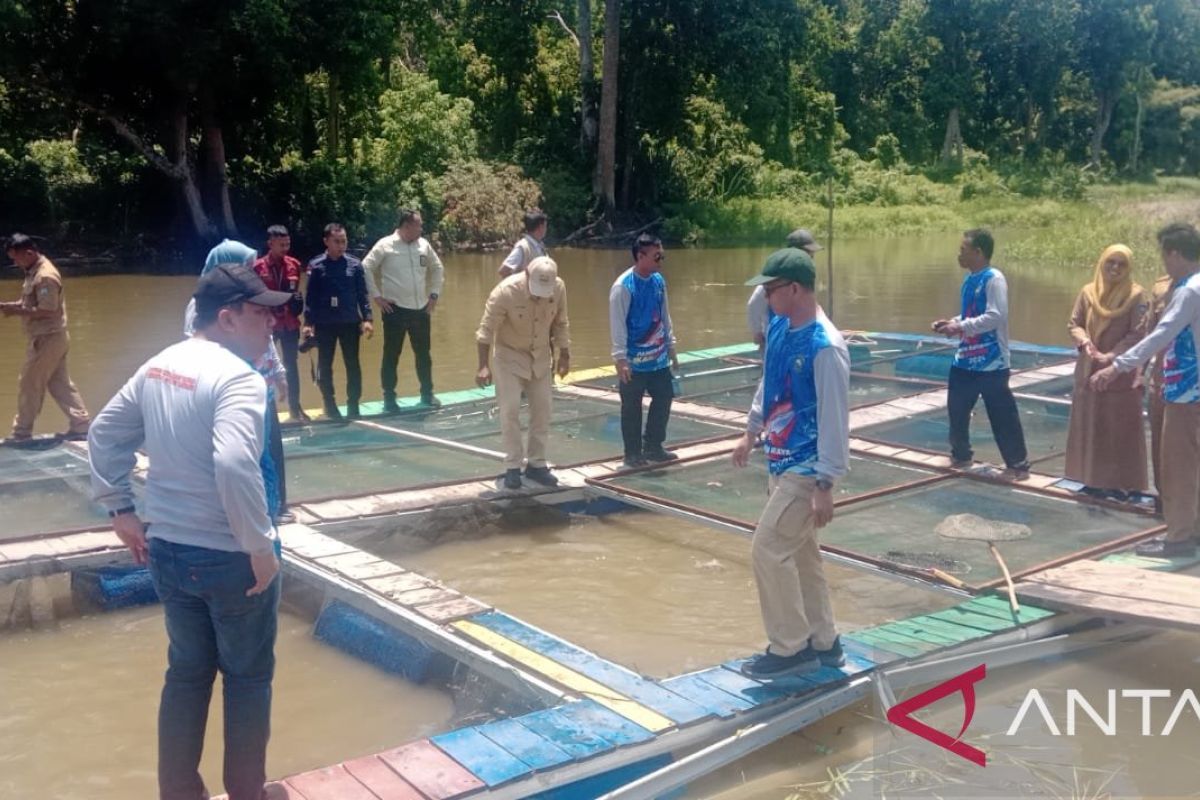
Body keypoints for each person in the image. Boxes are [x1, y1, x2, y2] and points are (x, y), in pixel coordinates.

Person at [89, 264, 288, 800]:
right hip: (230, 558)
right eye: (260, 312)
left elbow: (104, 432)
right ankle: (248, 792)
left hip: (169, 552)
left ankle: (179, 793)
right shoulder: (240, 378)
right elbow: (233, 465)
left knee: (187, 675)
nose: (271, 322)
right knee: (247, 680)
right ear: (227, 318)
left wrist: (120, 509)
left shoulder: (161, 364)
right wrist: (258, 545)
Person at [731, 248, 850, 679]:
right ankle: (824, 641)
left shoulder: (825, 347)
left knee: (766, 549)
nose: (764, 295)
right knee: (800, 556)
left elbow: (836, 419)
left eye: (770, 288)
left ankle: (790, 649)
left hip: (807, 468)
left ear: (794, 289)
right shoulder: (780, 326)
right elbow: (770, 379)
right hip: (779, 460)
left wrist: (826, 483)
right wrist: (751, 430)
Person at [1093, 222, 1200, 557]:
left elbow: (1161, 335)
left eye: (1165, 256)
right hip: (1189, 390)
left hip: (1186, 393)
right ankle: (1190, 530)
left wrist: (1117, 366)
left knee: (1177, 466)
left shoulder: (1189, 291)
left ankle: (1179, 539)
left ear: (1174, 253)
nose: (1164, 264)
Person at [186, 240, 292, 525]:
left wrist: (280, 375)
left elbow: (268, 342)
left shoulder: (249, 299)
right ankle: (254, 514)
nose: (249, 269)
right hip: (233, 393)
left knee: (271, 452)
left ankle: (277, 505)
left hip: (262, 387)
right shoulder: (202, 307)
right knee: (247, 453)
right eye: (243, 263)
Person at [931, 228, 1031, 479]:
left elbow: (996, 316)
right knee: (957, 409)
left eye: (963, 250)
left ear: (978, 252)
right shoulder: (969, 279)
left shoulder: (993, 279)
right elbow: (970, 316)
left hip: (991, 361)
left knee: (1002, 414)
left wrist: (961, 326)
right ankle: (961, 456)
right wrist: (952, 323)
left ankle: (1017, 464)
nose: (959, 254)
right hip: (966, 358)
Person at [475, 256, 571, 489]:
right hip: (510, 357)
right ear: (527, 275)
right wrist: (483, 365)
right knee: (510, 410)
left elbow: (561, 322)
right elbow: (486, 331)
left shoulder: (558, 288)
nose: (540, 295)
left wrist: (565, 355)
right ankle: (512, 466)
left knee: (543, 409)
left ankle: (537, 464)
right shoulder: (505, 292)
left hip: (540, 357)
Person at [1064, 244, 1150, 494]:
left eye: (1121, 264)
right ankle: (1089, 480)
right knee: (1089, 424)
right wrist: (1085, 342)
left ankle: (1121, 485)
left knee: (1117, 429)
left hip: (1119, 372)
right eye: (1110, 262)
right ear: (1102, 263)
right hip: (1089, 367)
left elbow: (1139, 334)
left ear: (1129, 268)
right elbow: (1074, 323)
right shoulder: (1088, 292)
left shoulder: (1137, 296)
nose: (1115, 268)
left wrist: (1112, 356)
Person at [0, 233, 91, 442]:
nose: (14, 262)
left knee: (29, 383)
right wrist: (8, 306)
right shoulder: (33, 271)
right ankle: (81, 425)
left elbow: (48, 311)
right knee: (59, 383)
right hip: (51, 338)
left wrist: (17, 312)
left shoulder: (45, 276)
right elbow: (30, 302)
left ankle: (21, 432)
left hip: (48, 339)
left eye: (16, 258)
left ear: (30, 253)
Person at [363, 209, 445, 410]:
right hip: (395, 310)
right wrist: (377, 296)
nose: (422, 228)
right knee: (391, 354)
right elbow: (365, 267)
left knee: (424, 354)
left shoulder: (423, 245)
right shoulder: (385, 245)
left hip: (421, 309)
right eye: (419, 225)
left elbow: (438, 268)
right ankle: (389, 398)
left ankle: (427, 394)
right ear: (407, 226)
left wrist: (434, 295)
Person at [609, 234, 679, 467]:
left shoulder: (659, 280)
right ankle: (632, 453)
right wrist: (620, 358)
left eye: (662, 255)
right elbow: (617, 324)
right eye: (656, 255)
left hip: (658, 357)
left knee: (665, 396)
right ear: (641, 257)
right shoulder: (623, 287)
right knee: (631, 406)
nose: (661, 260)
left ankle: (653, 446)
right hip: (634, 361)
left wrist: (671, 345)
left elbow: (665, 315)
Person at [303, 223, 374, 421]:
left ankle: (353, 405)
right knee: (325, 365)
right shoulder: (316, 266)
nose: (341, 245)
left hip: (350, 323)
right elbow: (311, 297)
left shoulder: (355, 265)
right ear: (326, 242)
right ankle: (330, 405)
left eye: (344, 241)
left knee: (353, 364)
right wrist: (308, 323)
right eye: (337, 241)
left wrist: (368, 318)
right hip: (325, 324)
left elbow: (363, 295)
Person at [253, 225, 307, 421]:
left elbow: (295, 292)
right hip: (268, 325)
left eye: (288, 244)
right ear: (270, 244)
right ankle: (264, 408)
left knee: (291, 365)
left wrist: (297, 304)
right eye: (281, 244)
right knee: (262, 364)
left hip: (290, 323)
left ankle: (295, 407)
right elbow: (254, 298)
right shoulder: (257, 268)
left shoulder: (294, 265)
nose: (285, 248)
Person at [747, 228, 824, 347]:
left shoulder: (804, 275)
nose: (811, 259)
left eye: (812, 255)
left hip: (798, 335)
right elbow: (753, 305)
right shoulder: (778, 279)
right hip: (775, 339)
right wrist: (757, 332)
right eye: (809, 254)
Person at [498, 210, 549, 279]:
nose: (546, 229)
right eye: (545, 226)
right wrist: (520, 285)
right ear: (540, 227)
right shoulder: (523, 247)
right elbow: (503, 271)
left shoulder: (540, 245)